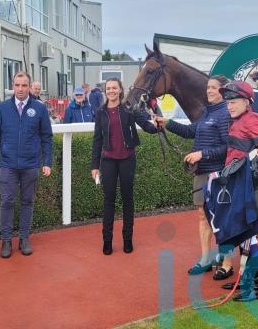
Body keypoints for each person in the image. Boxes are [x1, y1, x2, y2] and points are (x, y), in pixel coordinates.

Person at [155, 75, 233, 277]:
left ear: (223, 91)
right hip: (201, 173)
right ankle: (206, 258)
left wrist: (202, 154)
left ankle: (226, 261)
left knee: (221, 218)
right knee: (202, 216)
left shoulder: (225, 113)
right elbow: (191, 131)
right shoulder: (206, 112)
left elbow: (228, 147)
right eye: (208, 87)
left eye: (214, 88)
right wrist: (167, 123)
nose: (209, 91)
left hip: (217, 174)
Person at [218, 80, 258, 302]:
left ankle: (254, 288)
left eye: (233, 102)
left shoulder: (252, 119)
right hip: (238, 187)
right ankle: (247, 280)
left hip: (247, 189)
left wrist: (244, 166)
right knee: (245, 238)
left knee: (249, 239)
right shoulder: (238, 120)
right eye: (227, 103)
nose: (229, 106)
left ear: (246, 102)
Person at [0, 72, 53, 258]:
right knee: (7, 201)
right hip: (7, 164)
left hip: (30, 164)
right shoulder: (3, 108)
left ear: (29, 86)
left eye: (24, 85)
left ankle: (24, 238)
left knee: (27, 201)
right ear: (12, 86)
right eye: (17, 85)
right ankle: (6, 240)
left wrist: (46, 161)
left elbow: (46, 137)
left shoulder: (39, 109)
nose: (21, 89)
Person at [90, 78, 158, 255]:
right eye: (108, 88)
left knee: (128, 199)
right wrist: (94, 165)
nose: (111, 91)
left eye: (114, 88)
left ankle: (128, 239)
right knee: (108, 201)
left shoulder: (129, 109)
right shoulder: (100, 112)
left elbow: (146, 126)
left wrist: (158, 125)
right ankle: (107, 240)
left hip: (127, 159)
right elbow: (97, 139)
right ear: (106, 91)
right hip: (108, 161)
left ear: (120, 90)